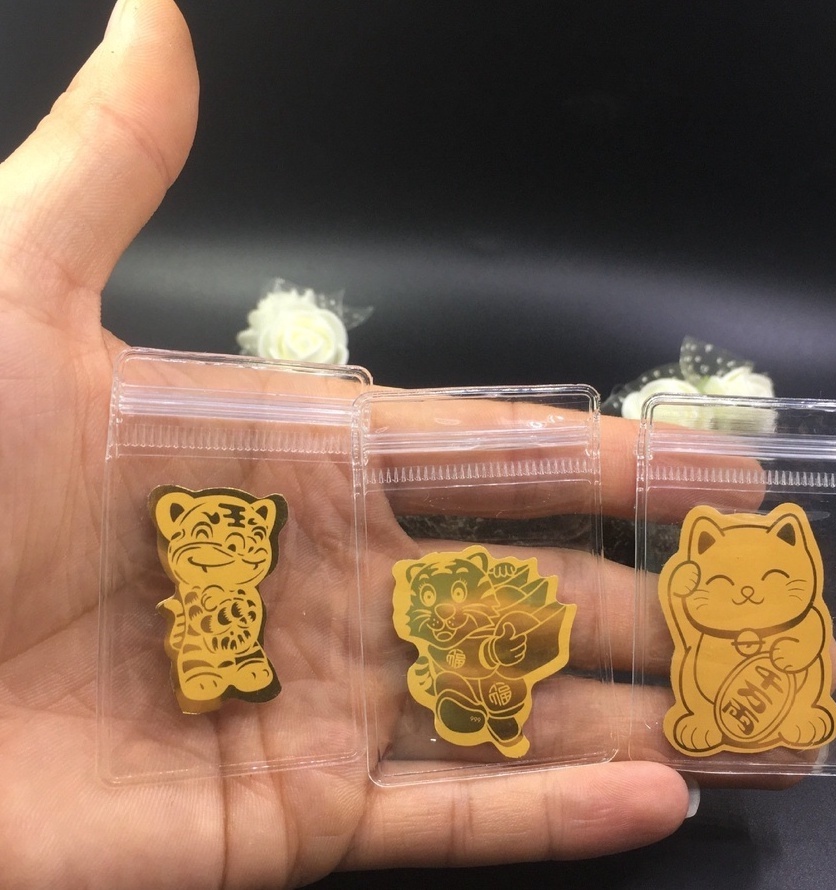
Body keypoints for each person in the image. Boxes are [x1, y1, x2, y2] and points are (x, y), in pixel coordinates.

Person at [0, 1, 696, 886]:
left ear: (261, 534)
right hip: (219, 654)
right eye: (207, 538)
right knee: (221, 651)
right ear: (181, 527)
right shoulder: (198, 568)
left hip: (404, 676)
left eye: (237, 540)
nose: (223, 550)